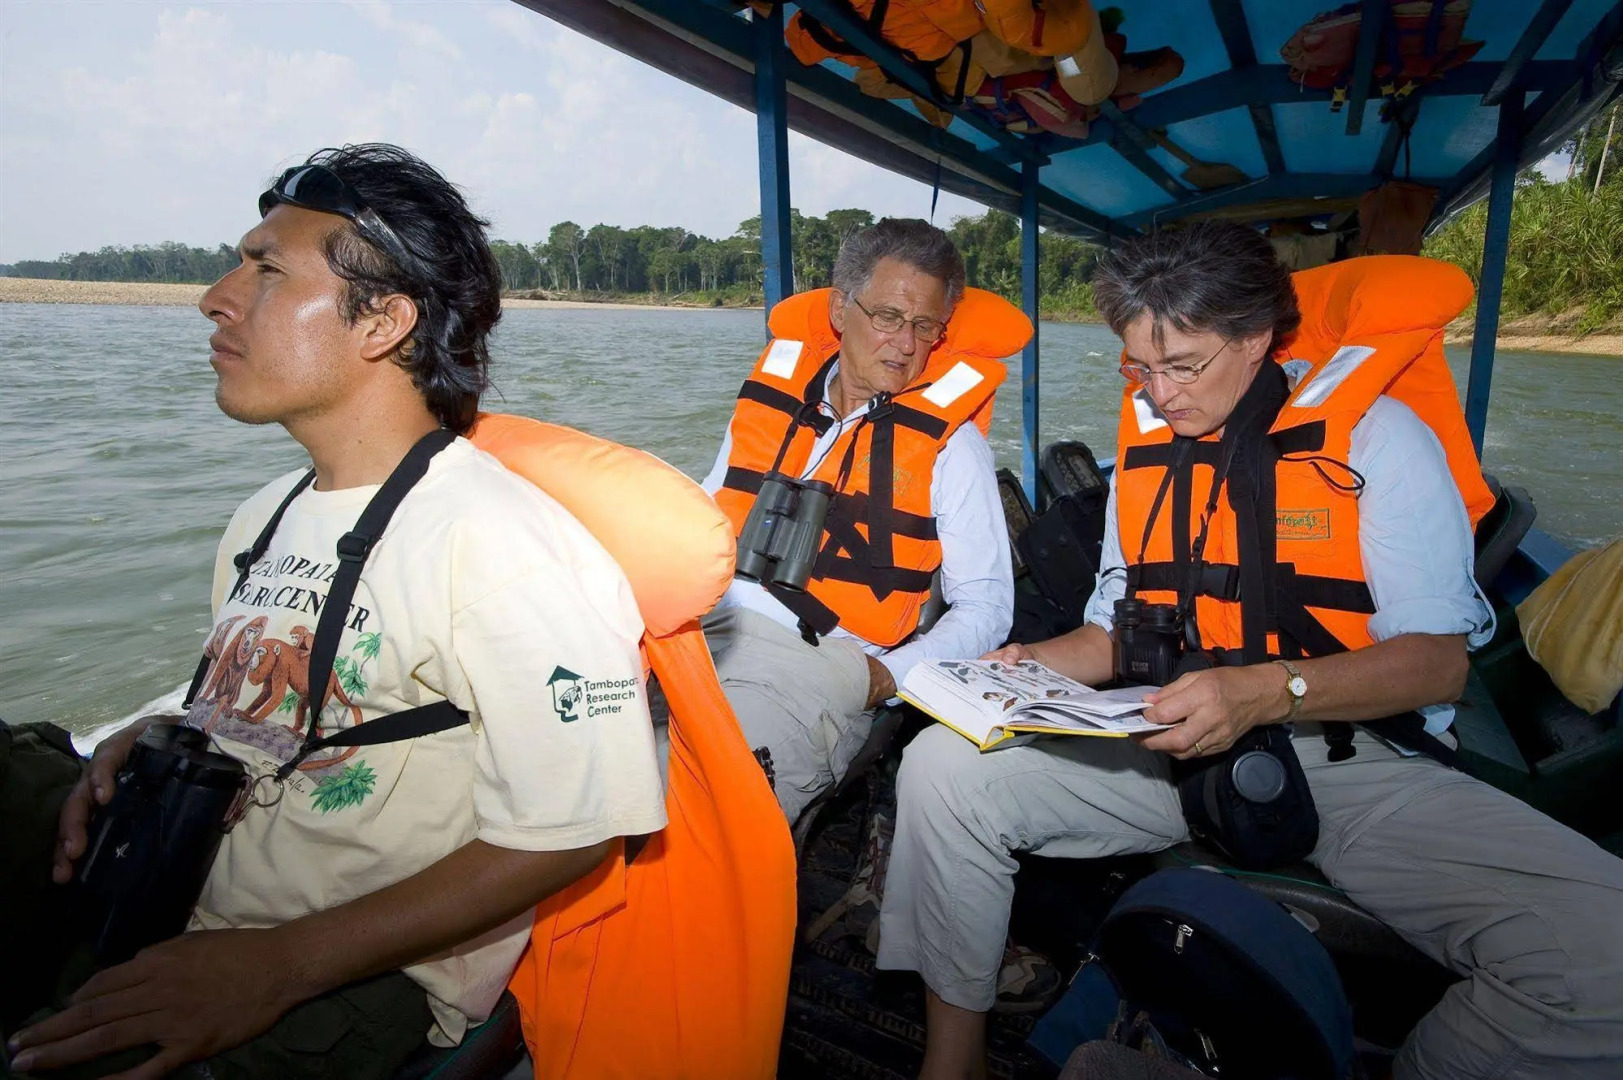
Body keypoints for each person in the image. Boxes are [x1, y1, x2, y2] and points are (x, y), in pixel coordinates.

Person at [875, 223, 1623, 1079]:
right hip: (1159, 743)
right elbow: (1113, 630)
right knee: (940, 766)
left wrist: (1269, 693)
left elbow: (1436, 664)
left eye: (1182, 364)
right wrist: (1025, 667)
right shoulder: (1146, 455)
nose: (1158, 392)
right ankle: (954, 1060)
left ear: (1256, 337)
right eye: (1137, 368)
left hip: (1347, 756)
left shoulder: (1375, 440)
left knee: (1605, 956)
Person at [2, 144, 665, 1079]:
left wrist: (277, 967)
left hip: (340, 971)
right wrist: (154, 737)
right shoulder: (266, 513)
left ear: (384, 321)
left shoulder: (504, 545)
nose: (216, 297)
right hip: (173, 888)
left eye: (266, 269)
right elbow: (281, 707)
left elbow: (574, 828)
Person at [702, 218, 1031, 822]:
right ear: (838, 309)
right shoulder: (769, 404)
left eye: (924, 326)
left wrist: (887, 676)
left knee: (710, 803)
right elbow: (706, 512)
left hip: (812, 666)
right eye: (887, 317)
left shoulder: (953, 447)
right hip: (698, 631)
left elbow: (986, 606)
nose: (905, 345)